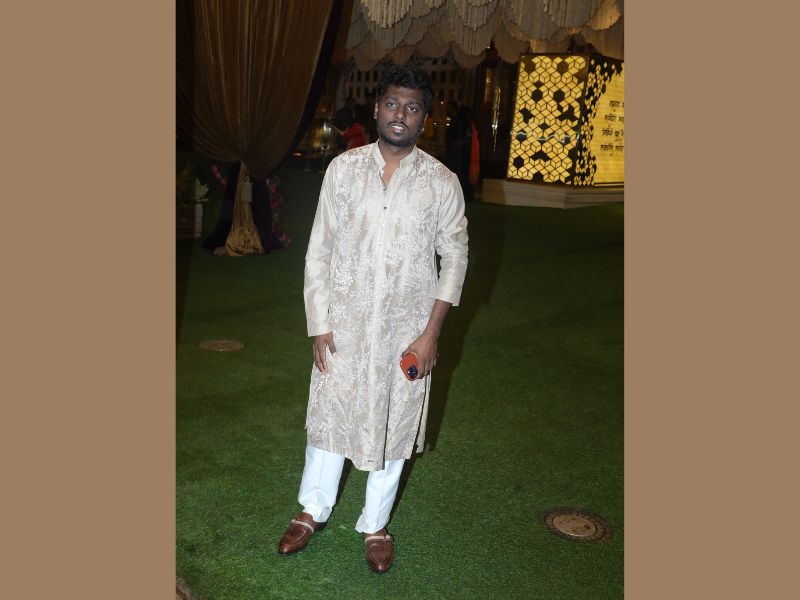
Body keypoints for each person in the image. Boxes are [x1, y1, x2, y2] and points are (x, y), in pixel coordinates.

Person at [277, 66, 469, 574]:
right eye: (391, 104)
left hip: (407, 331)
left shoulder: (441, 182)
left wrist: (430, 335)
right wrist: (319, 322)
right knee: (330, 415)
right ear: (376, 109)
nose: (400, 114)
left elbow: (455, 258)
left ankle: (376, 524)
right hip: (345, 324)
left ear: (424, 118)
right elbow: (319, 249)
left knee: (394, 422)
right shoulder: (344, 170)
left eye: (412, 107)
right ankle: (312, 509)